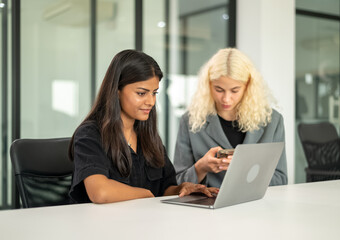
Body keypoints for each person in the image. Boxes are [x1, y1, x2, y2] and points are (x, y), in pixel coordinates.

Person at [68, 50, 218, 204]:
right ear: (116, 91)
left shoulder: (148, 135)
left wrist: (182, 189)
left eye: (154, 93)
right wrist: (146, 194)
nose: (151, 102)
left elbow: (165, 189)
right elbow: (100, 192)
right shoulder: (90, 134)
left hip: (145, 223)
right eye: (141, 93)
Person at [174, 48, 288, 188]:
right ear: (208, 85)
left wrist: (244, 168)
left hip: (257, 206)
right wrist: (201, 168)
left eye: (235, 90)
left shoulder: (272, 121)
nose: (226, 99)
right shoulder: (190, 121)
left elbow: (281, 180)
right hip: (208, 207)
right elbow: (177, 183)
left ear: (248, 87)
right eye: (219, 90)